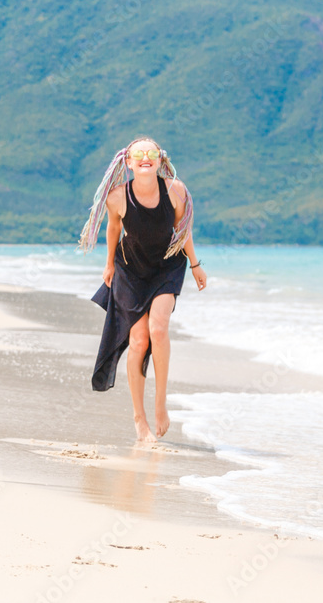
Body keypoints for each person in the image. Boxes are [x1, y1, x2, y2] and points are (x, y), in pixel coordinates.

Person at [78, 137, 207, 442]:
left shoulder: (176, 191)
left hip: (166, 266)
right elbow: (113, 229)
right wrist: (108, 264)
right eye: (139, 153)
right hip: (131, 270)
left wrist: (195, 264)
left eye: (152, 153)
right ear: (128, 162)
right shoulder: (117, 197)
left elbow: (183, 229)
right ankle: (140, 418)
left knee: (158, 329)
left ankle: (160, 403)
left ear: (161, 160)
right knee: (138, 342)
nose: (145, 157)